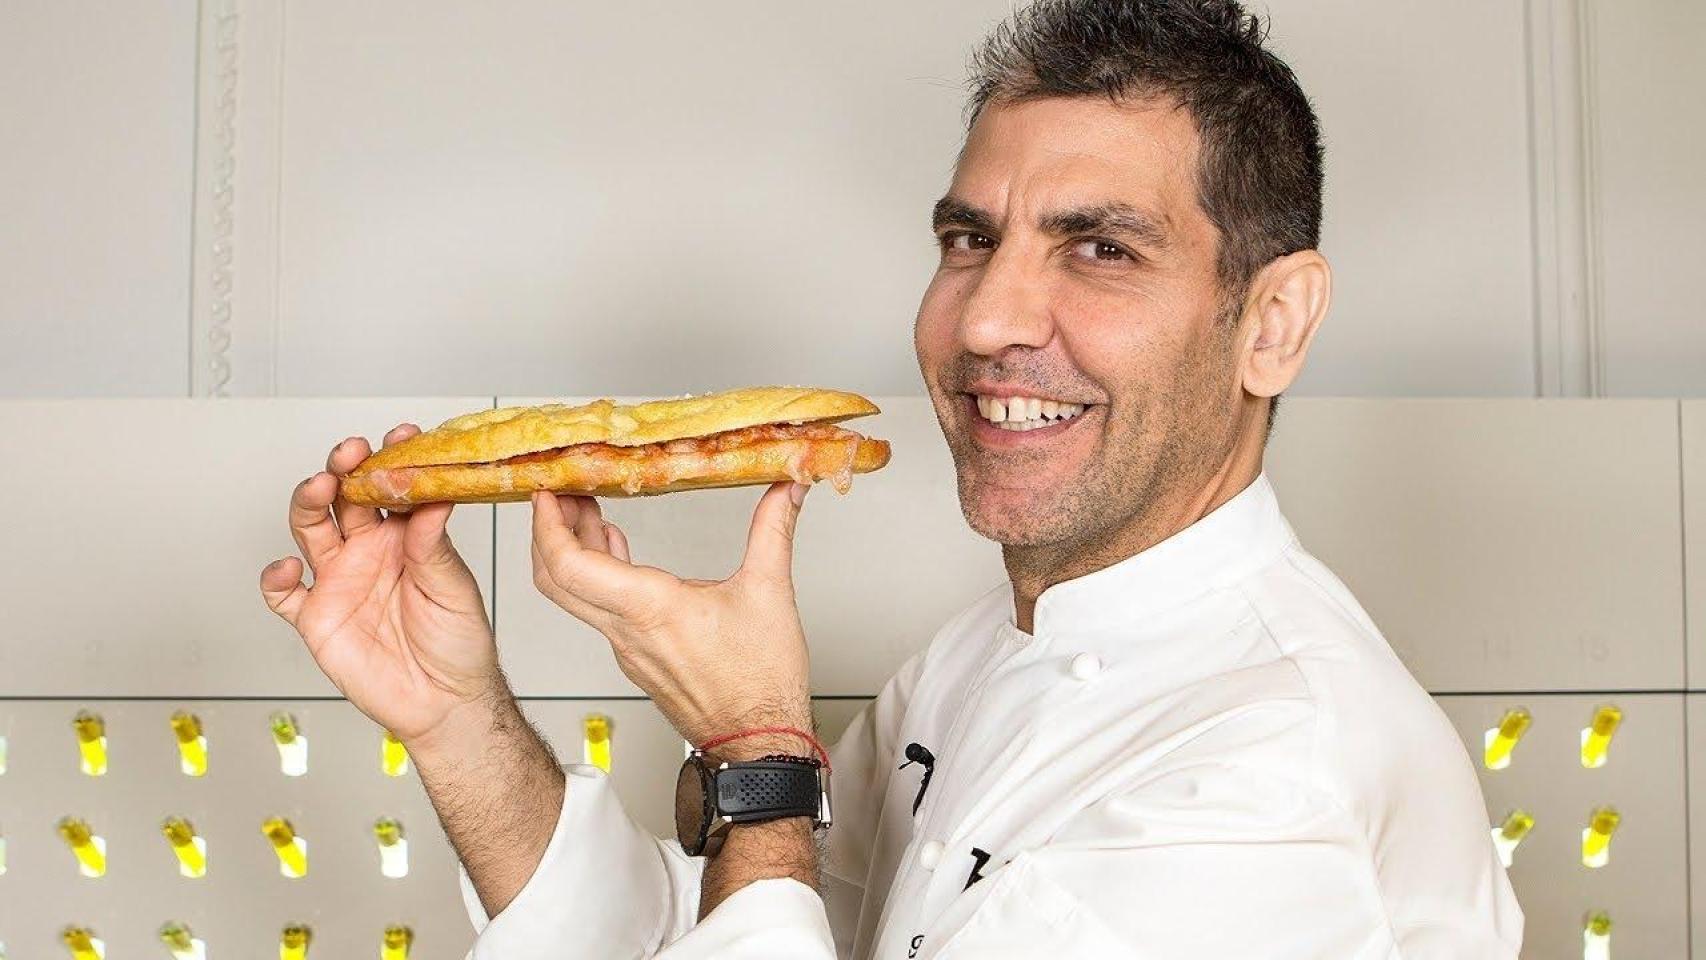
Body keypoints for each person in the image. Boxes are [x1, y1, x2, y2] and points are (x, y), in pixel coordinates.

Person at [259, 0, 1523, 956]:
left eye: (1099, 248)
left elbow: (763, 875)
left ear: (1272, 324)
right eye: (969, 240)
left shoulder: (1268, 775)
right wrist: (455, 717)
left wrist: (756, 752)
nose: (984, 323)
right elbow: (730, 927)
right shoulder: (972, 657)